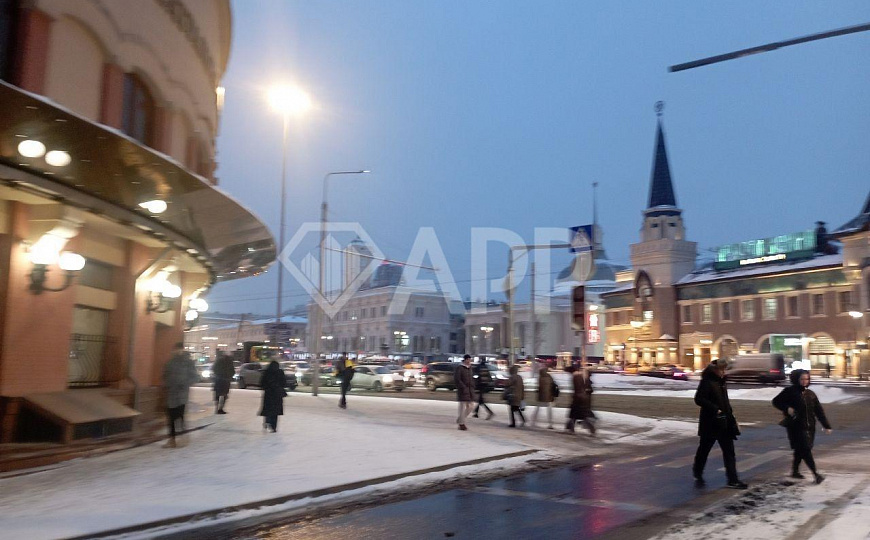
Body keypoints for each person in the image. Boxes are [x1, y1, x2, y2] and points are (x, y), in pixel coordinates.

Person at [692, 359, 747, 489]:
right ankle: (697, 470)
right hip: (711, 423)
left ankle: (733, 480)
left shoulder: (722, 382)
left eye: (724, 370)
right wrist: (715, 409)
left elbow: (725, 401)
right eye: (721, 370)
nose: (723, 372)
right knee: (704, 449)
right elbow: (698, 399)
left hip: (724, 422)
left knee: (729, 451)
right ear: (714, 370)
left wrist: (730, 415)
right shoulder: (707, 381)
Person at [772, 369, 832, 484]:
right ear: (796, 380)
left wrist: (826, 425)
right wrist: (787, 408)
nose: (805, 381)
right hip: (796, 426)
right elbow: (776, 401)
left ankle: (795, 471)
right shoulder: (789, 391)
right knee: (805, 449)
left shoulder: (810, 394)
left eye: (807, 379)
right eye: (802, 379)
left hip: (810, 426)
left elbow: (819, 411)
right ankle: (816, 474)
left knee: (801, 449)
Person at [162, 342, 199, 448]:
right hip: (171, 394)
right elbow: (165, 375)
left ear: (182, 350)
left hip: (182, 395)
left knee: (180, 417)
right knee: (170, 418)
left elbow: (195, 377)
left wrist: (185, 383)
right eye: (176, 349)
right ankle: (172, 440)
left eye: (179, 349)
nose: (177, 351)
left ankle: (183, 438)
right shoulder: (170, 362)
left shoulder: (188, 363)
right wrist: (167, 384)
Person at [565, 363, 595, 435]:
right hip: (581, 398)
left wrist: (576, 396)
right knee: (575, 415)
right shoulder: (579, 376)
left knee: (578, 415)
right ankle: (570, 428)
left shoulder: (576, 377)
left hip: (578, 399)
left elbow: (578, 389)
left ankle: (592, 429)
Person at [259, 360, 287, 432]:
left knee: (268, 409)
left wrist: (267, 388)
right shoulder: (280, 372)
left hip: (269, 394)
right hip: (277, 395)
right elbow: (284, 383)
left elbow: (262, 383)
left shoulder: (267, 372)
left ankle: (267, 421)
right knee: (275, 412)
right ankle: (274, 426)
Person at [455, 355, 475, 430]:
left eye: (470, 359)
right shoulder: (460, 368)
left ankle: (460, 419)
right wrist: (462, 387)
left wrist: (473, 385)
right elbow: (457, 379)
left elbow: (471, 378)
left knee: (471, 406)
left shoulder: (470, 368)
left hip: (470, 390)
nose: (469, 361)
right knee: (462, 407)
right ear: (465, 360)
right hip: (463, 390)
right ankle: (461, 424)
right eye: (468, 360)